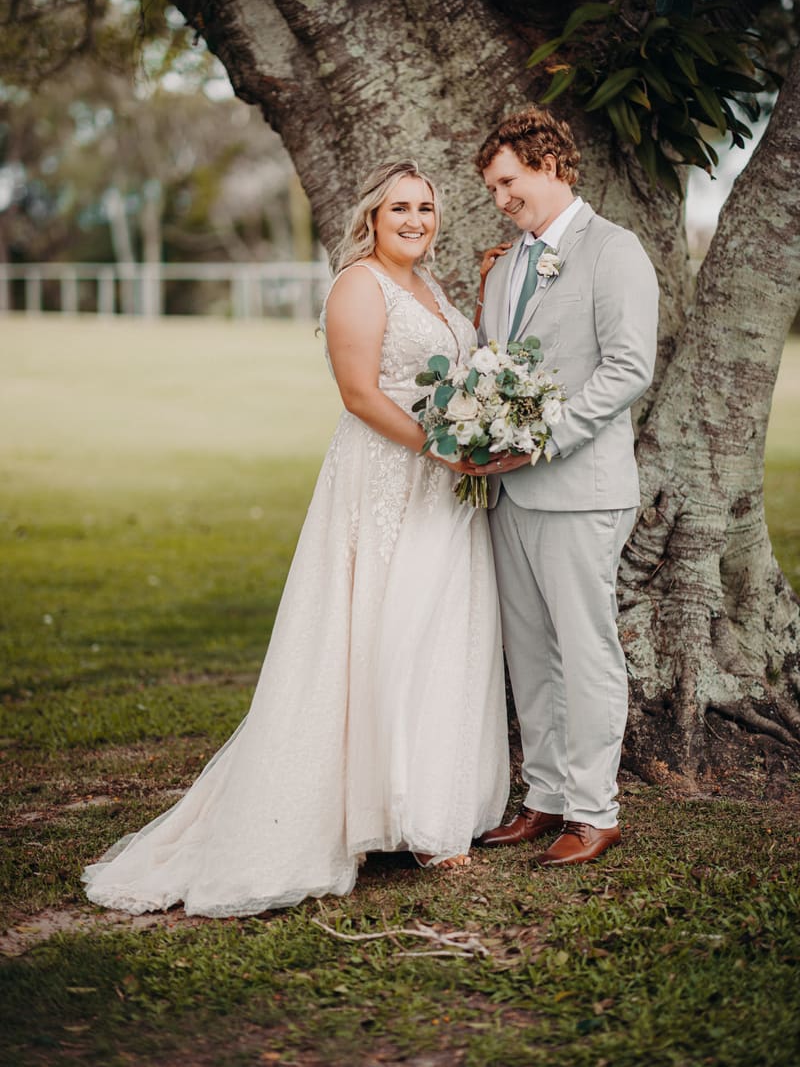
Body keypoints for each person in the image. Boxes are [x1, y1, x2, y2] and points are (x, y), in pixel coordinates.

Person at [82, 160, 509, 917]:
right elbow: (358, 393)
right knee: (380, 632)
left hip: (442, 490)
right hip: (384, 481)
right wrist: (439, 447)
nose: (415, 219)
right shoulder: (358, 284)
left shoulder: (433, 289)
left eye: (426, 208)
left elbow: (455, 368)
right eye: (399, 208)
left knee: (440, 630)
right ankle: (367, 810)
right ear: (371, 217)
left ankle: (428, 809)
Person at [472, 106, 659, 866]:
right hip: (510, 496)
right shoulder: (507, 262)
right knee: (529, 652)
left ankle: (595, 809)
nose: (500, 198)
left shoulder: (615, 250)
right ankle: (544, 795)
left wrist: (538, 440)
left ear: (549, 164)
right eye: (490, 188)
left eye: (507, 181)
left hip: (581, 487)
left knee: (585, 652)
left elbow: (627, 368)